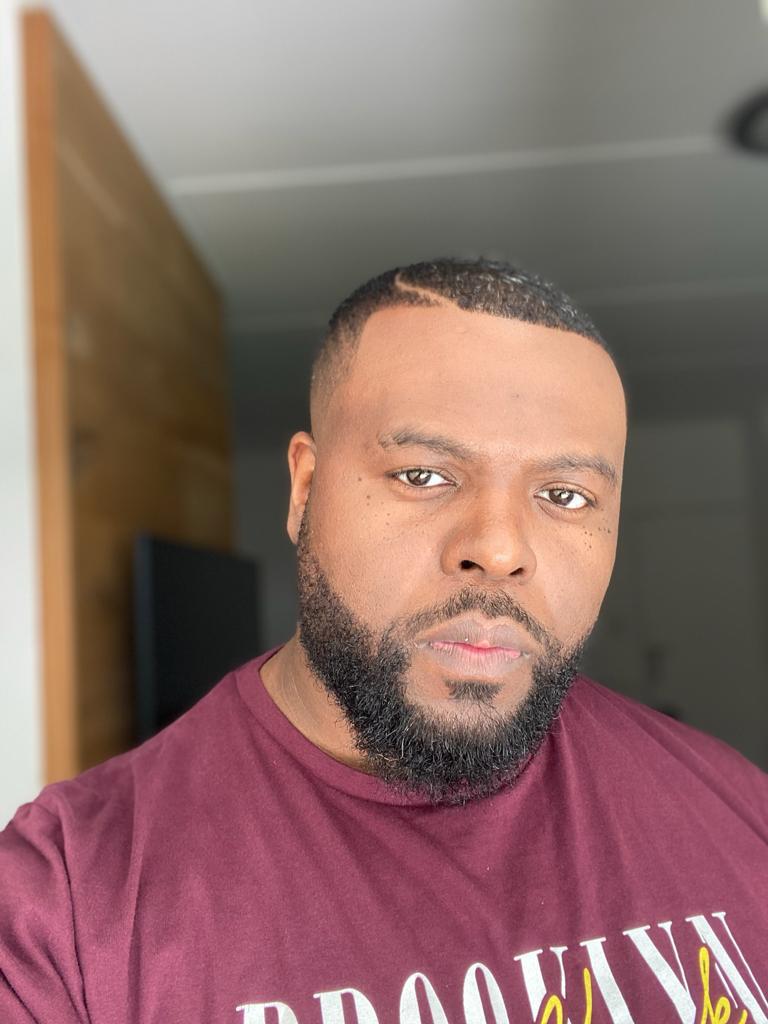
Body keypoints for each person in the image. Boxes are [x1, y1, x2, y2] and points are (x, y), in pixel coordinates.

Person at [2, 258, 767, 1024]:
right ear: (305, 490)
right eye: (424, 475)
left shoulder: (739, 807)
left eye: (565, 495)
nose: (499, 550)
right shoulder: (63, 905)